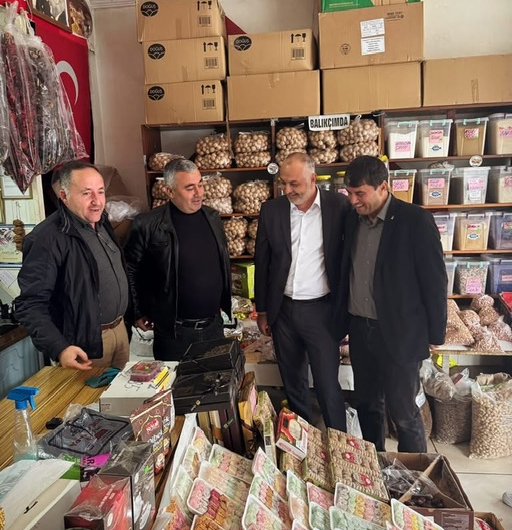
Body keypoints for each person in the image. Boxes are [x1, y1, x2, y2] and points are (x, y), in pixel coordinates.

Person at [341, 155, 447, 452]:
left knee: (403, 412)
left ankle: (414, 473)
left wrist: (435, 333)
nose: (353, 201)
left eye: (360, 193)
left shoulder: (415, 221)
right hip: (361, 329)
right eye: (349, 193)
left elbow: (434, 280)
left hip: (401, 332)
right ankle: (375, 464)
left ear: (383, 187)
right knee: (367, 404)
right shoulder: (352, 220)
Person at [254, 152, 349, 430]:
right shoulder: (272, 210)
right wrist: (263, 310)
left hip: (322, 311)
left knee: (327, 384)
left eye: (294, 184)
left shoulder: (339, 206)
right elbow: (262, 262)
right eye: (283, 183)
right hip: (283, 310)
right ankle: (301, 443)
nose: (287, 190)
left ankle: (338, 441)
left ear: (313, 179)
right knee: (293, 383)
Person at [14, 161, 130, 370]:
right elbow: (30, 304)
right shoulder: (46, 239)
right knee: (89, 393)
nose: (96, 201)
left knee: (123, 391)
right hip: (84, 343)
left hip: (119, 332)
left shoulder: (101, 222)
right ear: (64, 196)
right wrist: (60, 348)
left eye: (100, 191)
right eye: (86, 193)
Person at [124, 157, 231, 360]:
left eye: (200, 184)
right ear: (170, 191)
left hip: (214, 327)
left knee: (215, 379)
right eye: (190, 188)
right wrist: (137, 311)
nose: (199, 193)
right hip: (174, 332)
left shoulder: (213, 217)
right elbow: (130, 269)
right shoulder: (147, 224)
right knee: (174, 380)